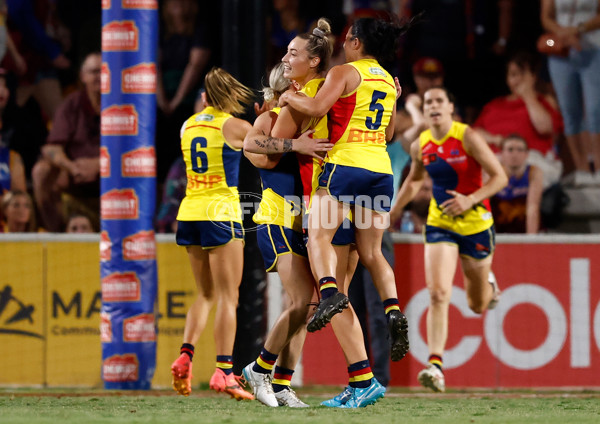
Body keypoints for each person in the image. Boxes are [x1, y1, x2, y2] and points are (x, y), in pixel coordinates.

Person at [277, 16, 415, 407]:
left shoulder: (343, 72)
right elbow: (388, 134)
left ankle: (331, 294)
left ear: (354, 41)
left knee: (317, 235)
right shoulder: (388, 81)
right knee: (373, 253)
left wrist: (288, 97)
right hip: (381, 170)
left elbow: (318, 105)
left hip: (346, 165)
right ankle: (392, 309)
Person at [390, 87, 507, 392]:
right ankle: (436, 365)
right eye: (428, 102)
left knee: (478, 304)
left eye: (440, 100)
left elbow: (499, 177)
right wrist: (394, 210)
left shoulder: (466, 136)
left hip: (475, 225)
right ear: (425, 111)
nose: (433, 106)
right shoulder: (421, 145)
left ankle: (488, 285)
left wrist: (471, 200)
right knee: (438, 293)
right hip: (439, 223)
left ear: (451, 107)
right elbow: (415, 180)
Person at [169, 67, 254, 401]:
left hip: (189, 211)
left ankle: (185, 356)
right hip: (221, 213)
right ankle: (224, 371)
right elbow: (268, 148)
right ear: (231, 96)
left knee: (204, 295)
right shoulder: (235, 125)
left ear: (204, 96)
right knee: (228, 298)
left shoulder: (187, 124)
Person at [31, 52, 101, 232]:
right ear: (82, 76)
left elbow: (137, 150)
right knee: (42, 171)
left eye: (104, 71)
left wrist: (98, 165)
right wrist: (72, 167)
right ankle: (55, 233)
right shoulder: (72, 104)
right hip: (76, 177)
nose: (99, 77)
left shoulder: (124, 104)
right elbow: (51, 148)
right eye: (94, 72)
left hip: (111, 174)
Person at [473, 51, 563, 189]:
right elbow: (473, 134)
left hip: (532, 160)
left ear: (533, 77)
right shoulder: (494, 105)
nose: (518, 80)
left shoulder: (544, 101)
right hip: (496, 160)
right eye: (513, 75)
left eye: (522, 74)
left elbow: (545, 128)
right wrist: (495, 139)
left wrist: (528, 96)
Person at [541, 0, 600, 186]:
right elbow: (546, 18)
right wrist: (564, 34)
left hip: (593, 48)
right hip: (560, 49)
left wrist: (577, 29)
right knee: (569, 111)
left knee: (594, 111)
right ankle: (581, 168)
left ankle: (598, 167)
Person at [491, 135, 544, 234]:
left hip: (523, 228)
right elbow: (482, 205)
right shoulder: (493, 173)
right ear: (502, 153)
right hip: (499, 230)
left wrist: (531, 241)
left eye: (520, 150)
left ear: (526, 154)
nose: (515, 154)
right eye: (510, 149)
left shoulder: (534, 172)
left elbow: (533, 208)